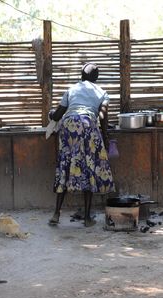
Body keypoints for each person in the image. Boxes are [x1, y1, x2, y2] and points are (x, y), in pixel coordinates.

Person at [48, 62, 115, 227]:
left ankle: (56, 214)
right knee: (88, 167)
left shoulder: (72, 90)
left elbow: (58, 114)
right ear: (96, 78)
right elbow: (103, 115)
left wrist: (52, 115)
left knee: (65, 166)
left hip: (69, 126)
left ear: (81, 76)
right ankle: (86, 218)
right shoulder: (101, 92)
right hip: (87, 126)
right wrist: (105, 135)